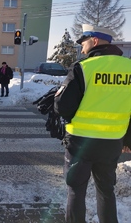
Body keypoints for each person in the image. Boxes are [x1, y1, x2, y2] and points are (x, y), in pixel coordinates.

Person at [54, 24, 131, 223]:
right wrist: (128, 139)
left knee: (75, 191)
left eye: (83, 42)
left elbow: (62, 106)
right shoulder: (129, 68)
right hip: (112, 142)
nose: (81, 48)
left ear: (94, 41)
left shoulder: (83, 67)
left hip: (80, 142)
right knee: (106, 191)